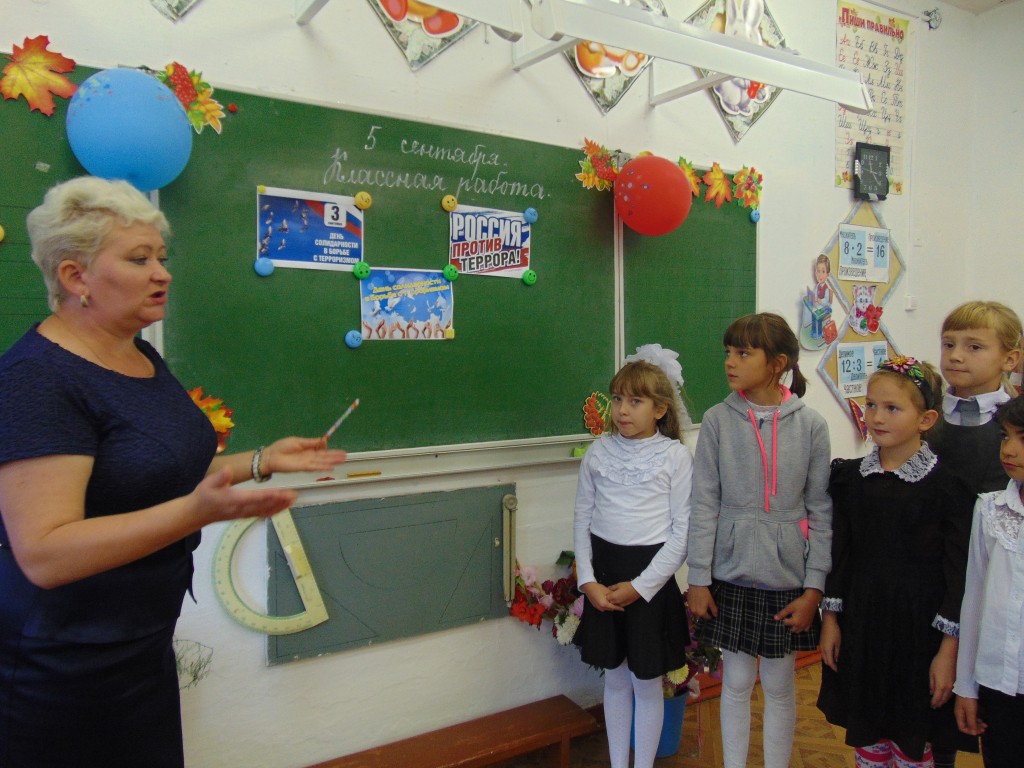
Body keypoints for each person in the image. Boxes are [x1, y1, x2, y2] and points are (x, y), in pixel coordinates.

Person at [0, 176, 347, 767]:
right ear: (76, 277)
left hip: (139, 646)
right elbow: (45, 553)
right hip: (58, 666)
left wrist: (259, 461)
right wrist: (195, 512)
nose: (162, 274)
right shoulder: (37, 379)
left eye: (162, 258)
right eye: (139, 260)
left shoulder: (135, 351)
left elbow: (152, 469)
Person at [687, 312, 832, 768]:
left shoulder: (811, 426)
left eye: (743, 353)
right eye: (728, 352)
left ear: (777, 363)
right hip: (729, 575)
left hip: (787, 578)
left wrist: (814, 588)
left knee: (779, 685)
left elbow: (821, 511)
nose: (730, 362)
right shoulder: (717, 420)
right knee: (734, 682)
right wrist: (698, 578)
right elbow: (703, 503)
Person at [818, 357, 976, 768]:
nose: (876, 417)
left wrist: (949, 651)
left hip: (919, 636)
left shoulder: (949, 489)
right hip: (863, 626)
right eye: (871, 405)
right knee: (869, 730)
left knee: (912, 735)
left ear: (926, 420)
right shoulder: (849, 480)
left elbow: (958, 575)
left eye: (892, 408)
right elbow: (840, 557)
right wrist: (831, 621)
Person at [572, 344, 693, 768]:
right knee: (616, 680)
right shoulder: (599, 452)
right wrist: (588, 581)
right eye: (618, 398)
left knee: (646, 682)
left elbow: (681, 534)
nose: (622, 410)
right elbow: (582, 519)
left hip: (649, 584)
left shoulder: (675, 457)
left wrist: (641, 588)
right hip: (604, 579)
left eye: (635, 401)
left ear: (660, 409)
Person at [953, 395, 1024, 767]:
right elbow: (974, 597)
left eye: (1023, 439)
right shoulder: (990, 509)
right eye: (1005, 436)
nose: (1009, 450)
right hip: (998, 682)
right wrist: (966, 685)